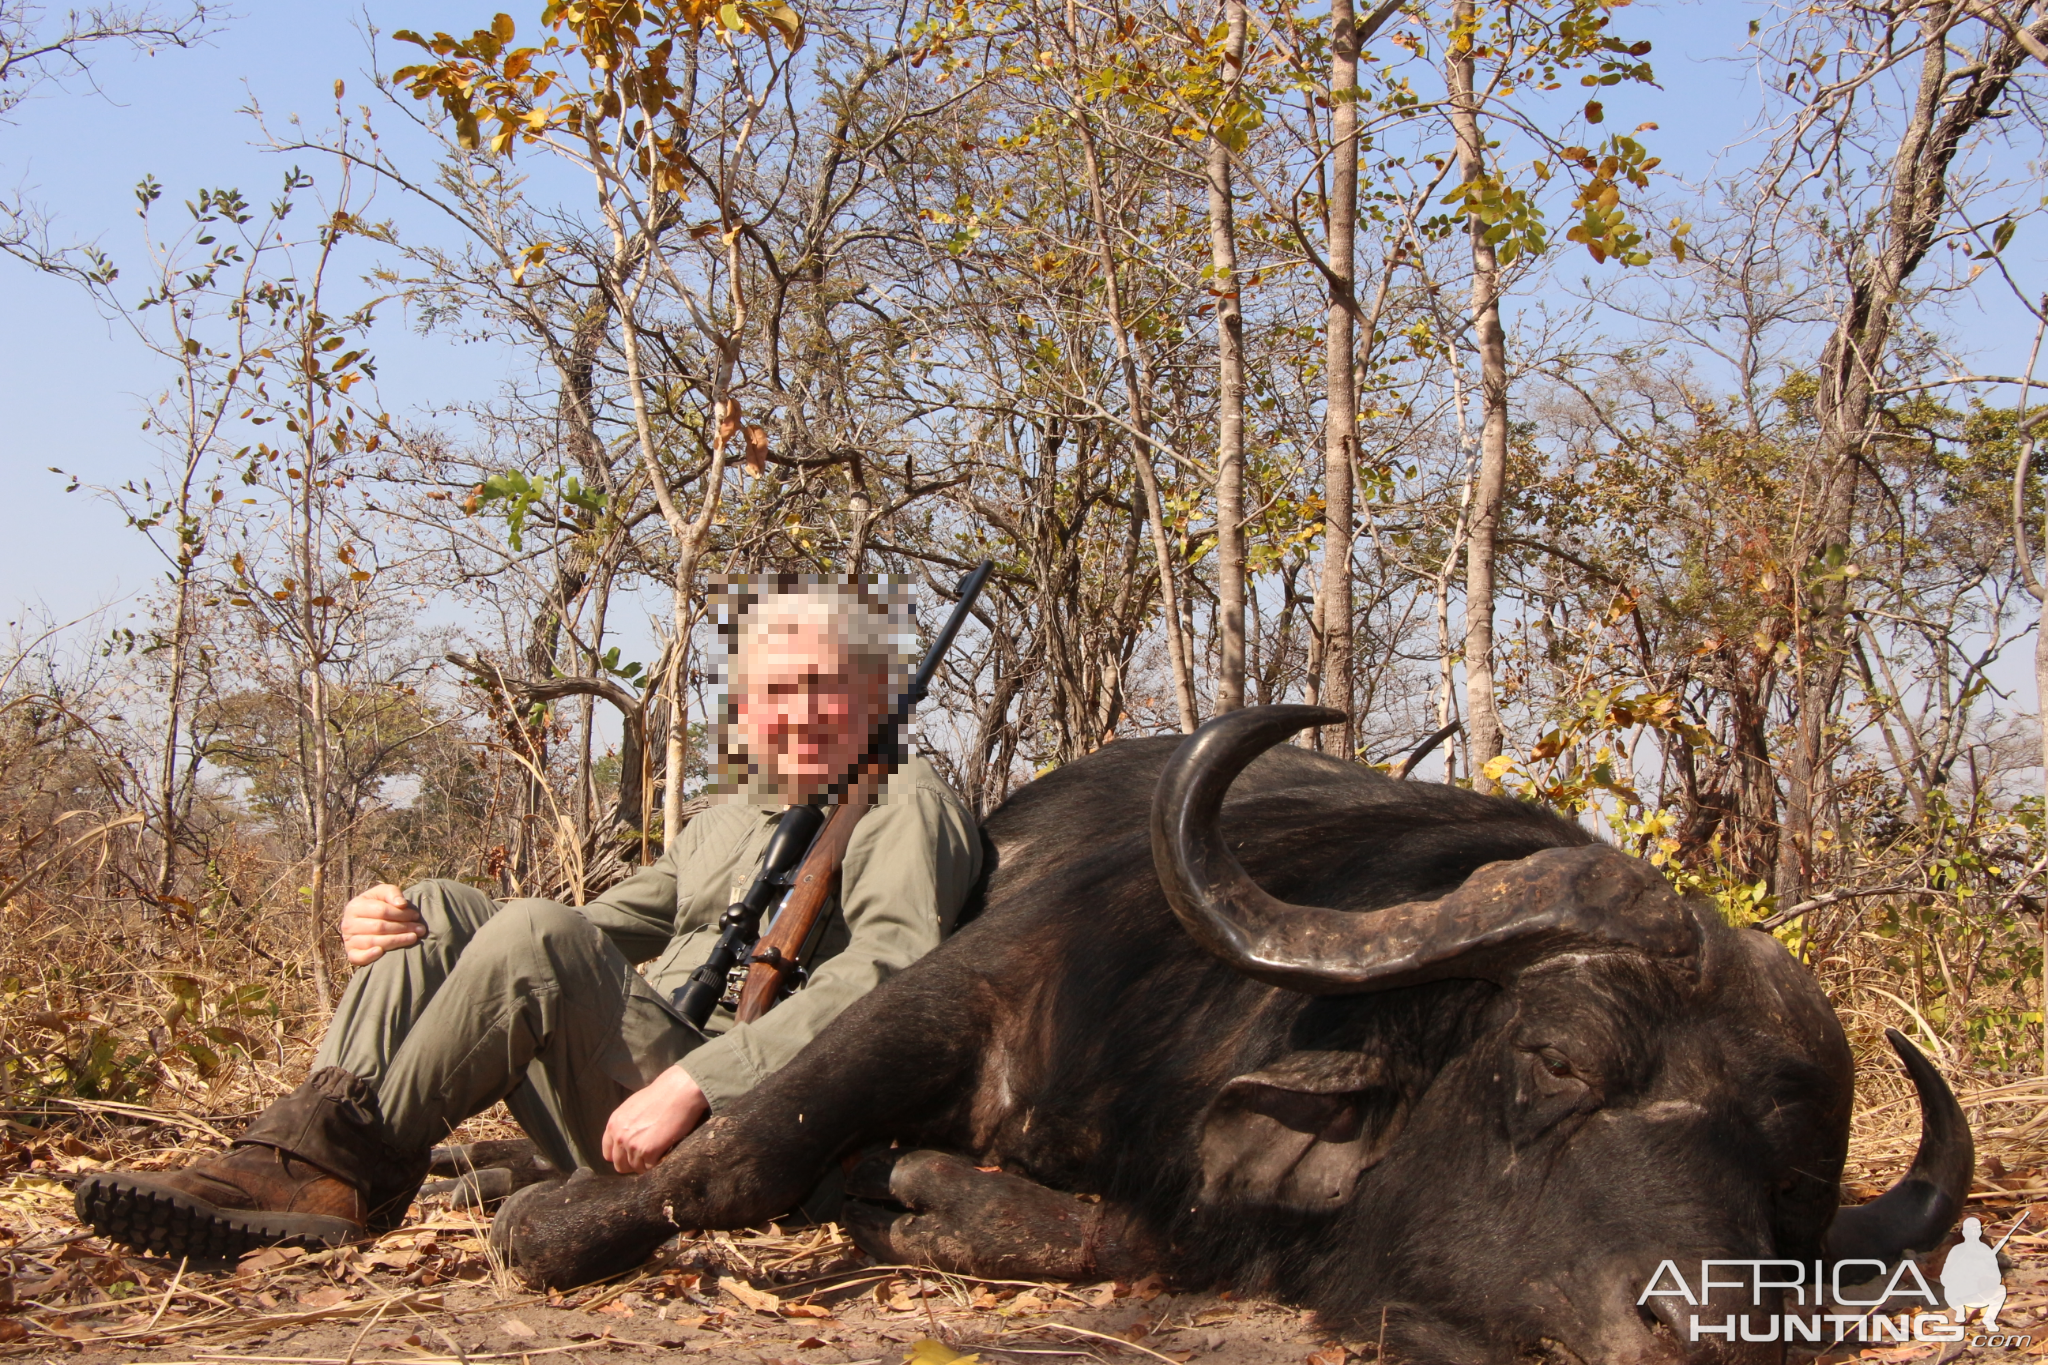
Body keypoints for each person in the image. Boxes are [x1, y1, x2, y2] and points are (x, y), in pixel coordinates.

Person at [75, 578, 983, 1259]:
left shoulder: (907, 801)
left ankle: (330, 1170)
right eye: (773, 694)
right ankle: (307, 1157)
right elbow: (579, 931)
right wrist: (383, 924)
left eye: (825, 685)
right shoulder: (732, 819)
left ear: (875, 692)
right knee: (433, 905)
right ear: (744, 713)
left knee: (537, 935)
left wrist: (701, 1079)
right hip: (621, 1090)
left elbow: (893, 979)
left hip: (733, 1122)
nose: (798, 714)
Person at [1940, 1216, 2007, 1331]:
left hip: (1981, 1292)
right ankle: (1959, 1314)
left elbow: (1995, 1275)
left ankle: (1989, 1319)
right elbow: (1944, 1276)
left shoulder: (1985, 1250)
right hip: (1961, 1293)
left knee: (2001, 1291)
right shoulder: (1955, 1250)